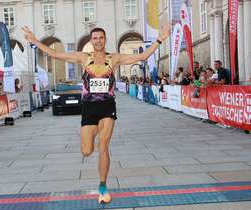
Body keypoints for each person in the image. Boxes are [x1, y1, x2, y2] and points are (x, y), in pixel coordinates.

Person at [22, 23, 171, 204]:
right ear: (91, 41)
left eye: (101, 38)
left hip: (107, 105)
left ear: (105, 40)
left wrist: (159, 39)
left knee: (104, 146)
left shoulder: (114, 58)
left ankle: (102, 186)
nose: (98, 41)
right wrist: (35, 40)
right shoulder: (83, 57)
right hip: (89, 107)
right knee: (86, 151)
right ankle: (91, 142)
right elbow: (55, 54)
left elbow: (143, 55)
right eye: (95, 38)